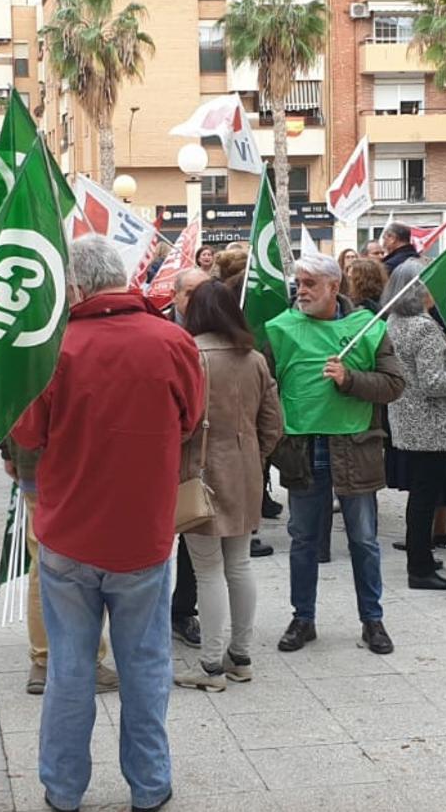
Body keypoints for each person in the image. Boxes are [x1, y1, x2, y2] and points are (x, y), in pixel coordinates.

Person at [12, 235, 203, 812]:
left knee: (69, 668)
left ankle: (63, 790)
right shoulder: (173, 341)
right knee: (147, 665)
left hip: (68, 531)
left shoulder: (54, 349)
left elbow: (26, 433)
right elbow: (191, 418)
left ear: (75, 287)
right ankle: (150, 787)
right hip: (143, 534)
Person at [269, 253, 404, 656]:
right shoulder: (280, 329)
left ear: (334, 286)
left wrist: (350, 380)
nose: (301, 290)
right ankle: (303, 618)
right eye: (299, 282)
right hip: (303, 450)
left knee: (363, 540)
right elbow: (264, 386)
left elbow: (395, 384)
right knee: (303, 540)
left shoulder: (367, 328)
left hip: (354, 447)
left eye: (310, 282)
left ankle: (372, 620)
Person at [174, 281, 283, 692]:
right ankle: (241, 656)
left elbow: (174, 421)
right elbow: (274, 423)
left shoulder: (189, 355)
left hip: (197, 473)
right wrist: (254, 454)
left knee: (208, 570)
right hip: (245, 471)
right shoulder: (253, 358)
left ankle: (210, 667)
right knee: (239, 565)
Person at [0, 437, 119, 696]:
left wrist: (7, 451)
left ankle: (43, 660)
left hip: (29, 458)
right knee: (88, 555)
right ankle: (89, 659)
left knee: (41, 561)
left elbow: (5, 400)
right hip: (75, 464)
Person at [383, 260, 446, 591]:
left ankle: (422, 557)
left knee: (420, 494)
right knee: (425, 496)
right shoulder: (424, 327)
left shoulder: (394, 320)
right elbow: (434, 382)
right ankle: (419, 566)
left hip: (406, 418)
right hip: (430, 423)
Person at [166, 265, 210, 642]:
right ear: (176, 296)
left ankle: (183, 610)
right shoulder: (160, 331)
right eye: (190, 293)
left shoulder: (219, 331)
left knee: (192, 533)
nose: (197, 301)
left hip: (198, 455)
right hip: (160, 452)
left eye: (204, 292)